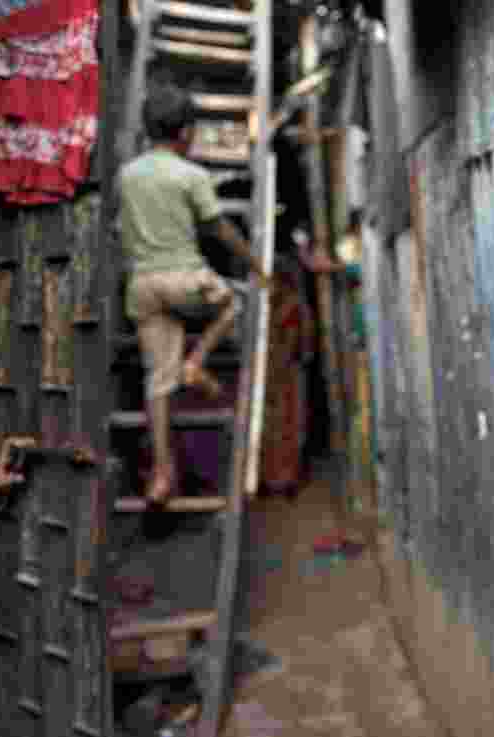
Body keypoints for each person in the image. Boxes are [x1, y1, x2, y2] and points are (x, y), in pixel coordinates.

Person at [117, 83, 268, 504]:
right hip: (185, 280)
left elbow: (121, 227)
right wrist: (257, 266)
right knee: (232, 302)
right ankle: (197, 362)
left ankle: (162, 474)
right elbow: (220, 228)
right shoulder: (192, 175)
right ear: (185, 133)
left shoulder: (127, 176)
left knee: (157, 382)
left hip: (143, 288)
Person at [259, 253, 314, 496]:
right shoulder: (267, 307)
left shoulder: (291, 306)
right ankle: (275, 479)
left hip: (285, 375)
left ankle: (284, 478)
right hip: (276, 376)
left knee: (286, 425)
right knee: (276, 426)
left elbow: (301, 347)